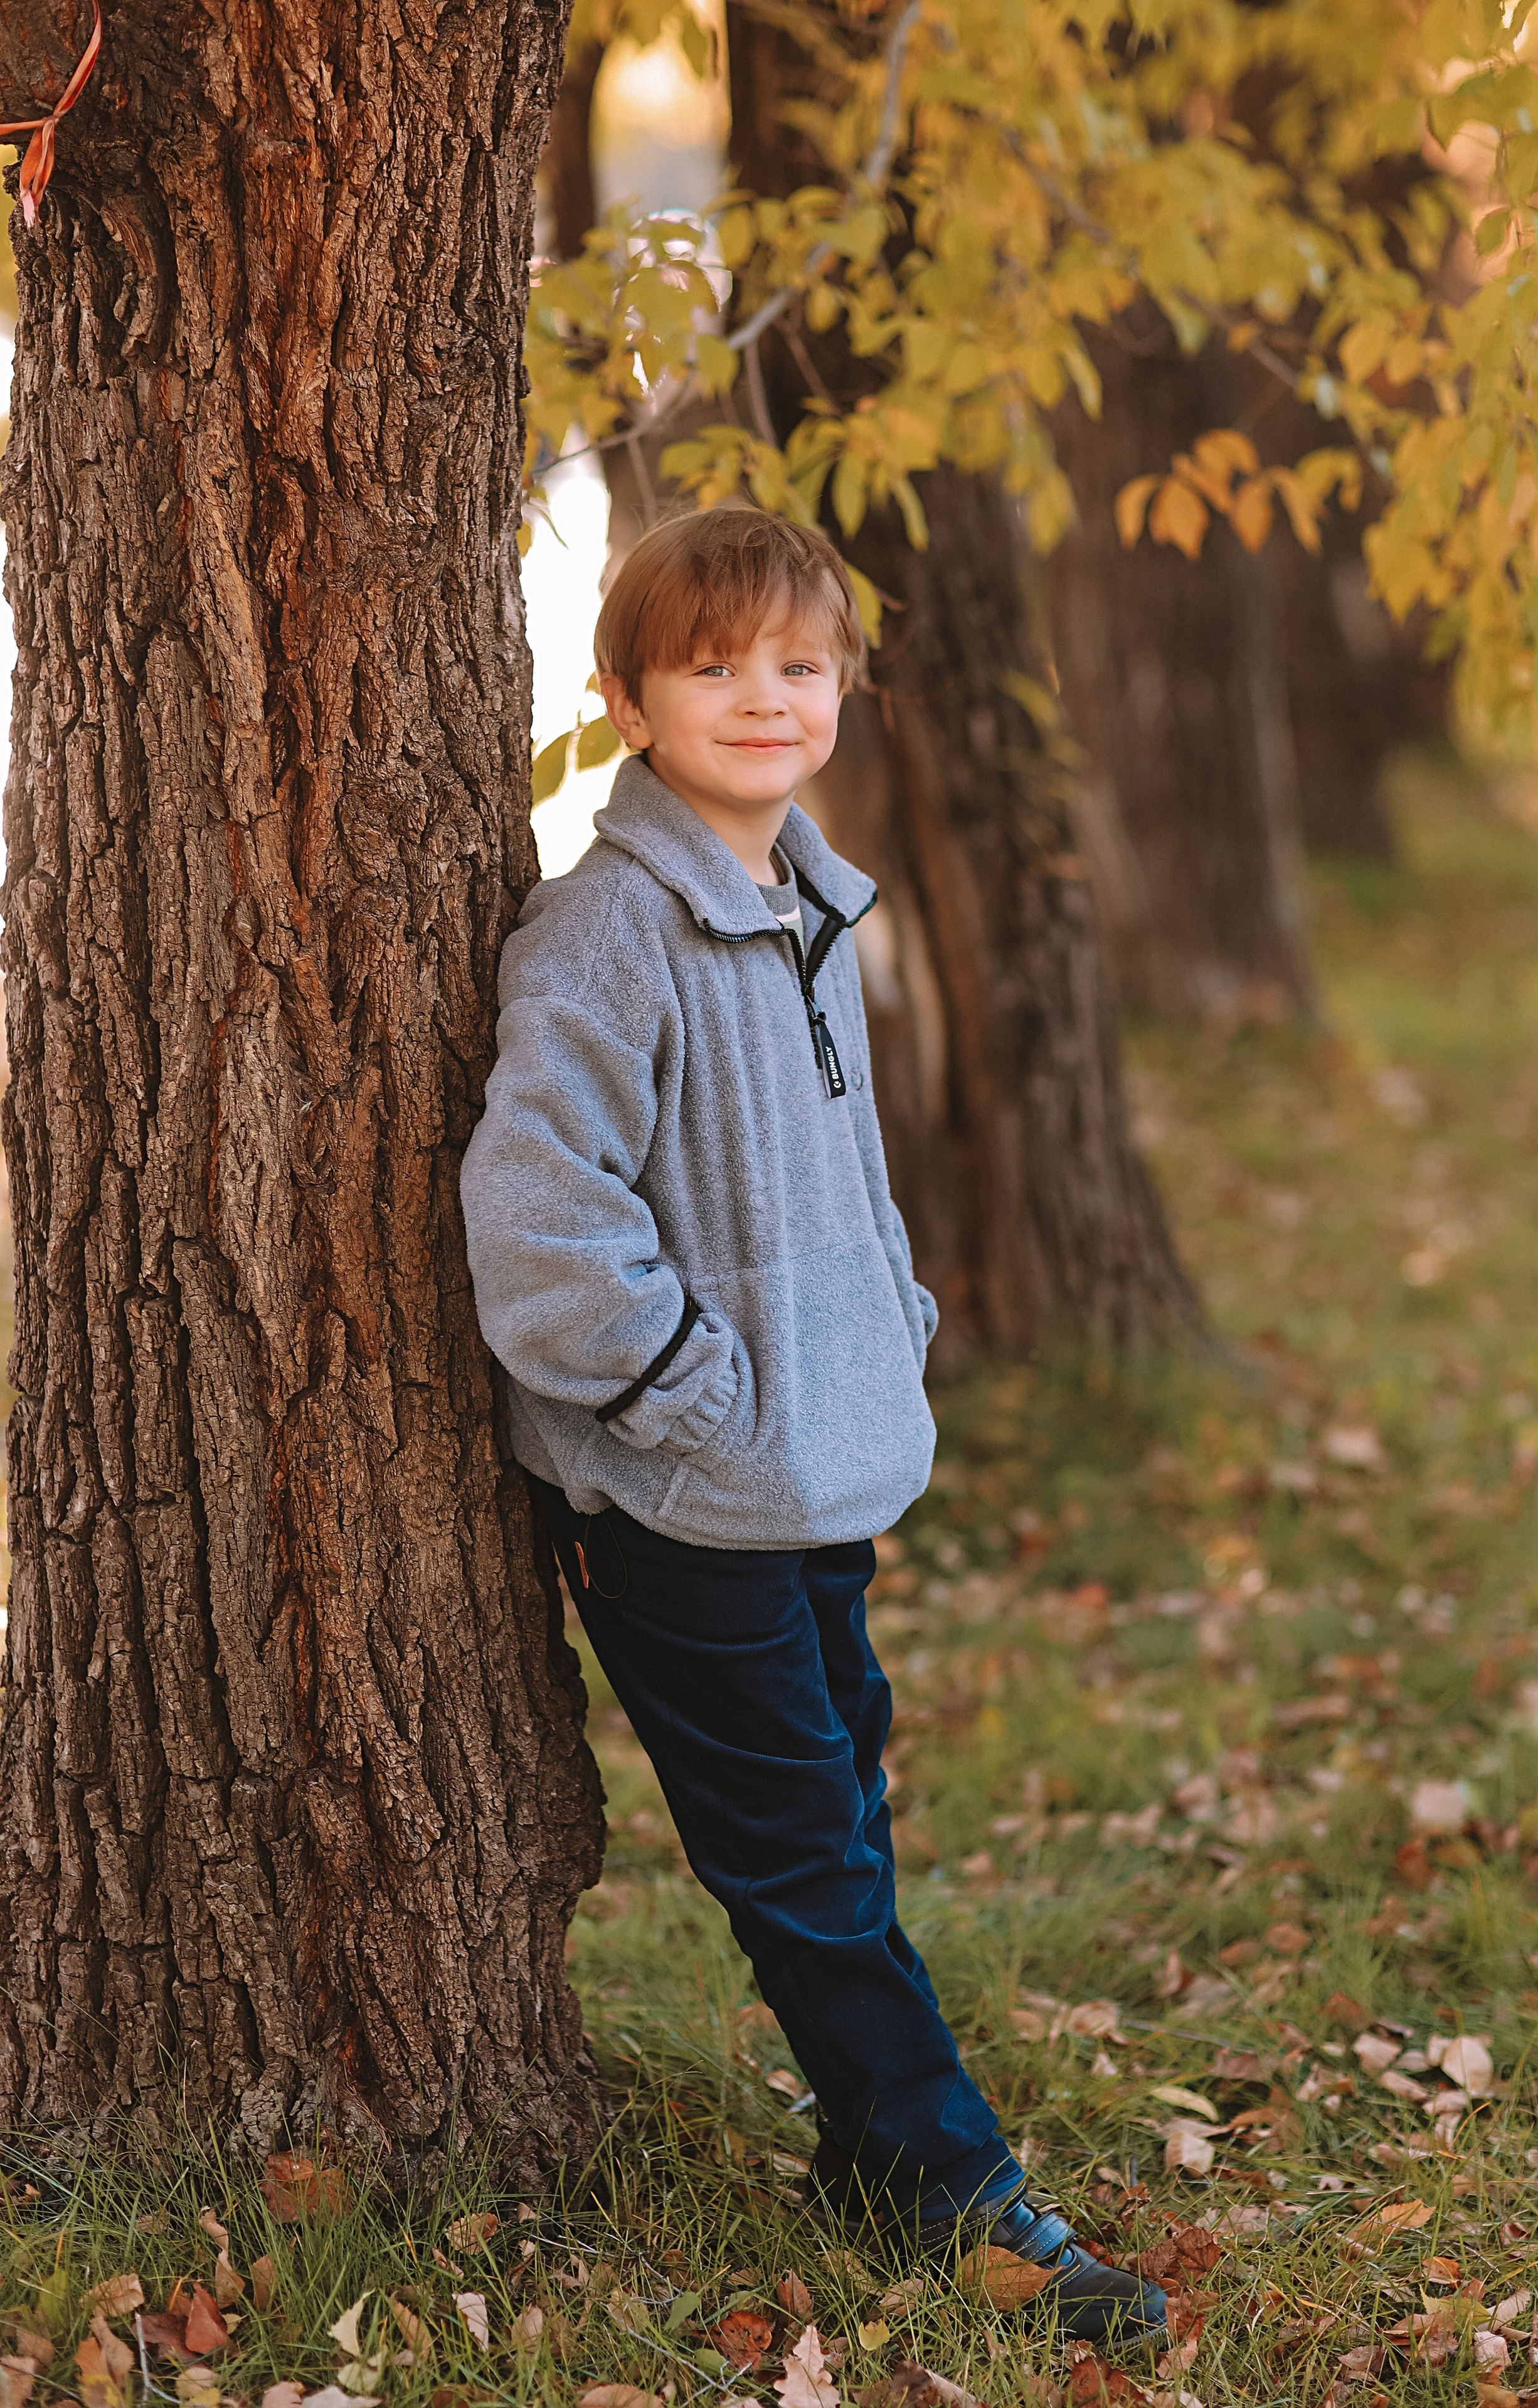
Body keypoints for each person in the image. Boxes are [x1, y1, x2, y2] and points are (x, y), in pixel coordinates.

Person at [459, 507, 1165, 2348]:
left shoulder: (804, 903)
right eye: (713, 667)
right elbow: (541, 1219)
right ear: (624, 700)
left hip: (819, 1472)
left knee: (846, 1789)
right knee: (812, 1873)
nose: (764, 698)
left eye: (799, 663)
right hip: (688, 1507)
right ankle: (963, 2195)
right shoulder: (609, 931)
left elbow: (845, 1175)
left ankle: (865, 2152)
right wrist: (696, 1405)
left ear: (845, 684)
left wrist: (891, 1330)